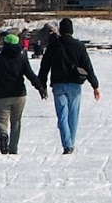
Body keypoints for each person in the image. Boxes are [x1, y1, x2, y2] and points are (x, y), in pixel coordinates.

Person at [37, 17, 100, 153]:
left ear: (61, 30)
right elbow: (88, 67)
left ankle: (67, 144)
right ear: (71, 30)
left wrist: (42, 85)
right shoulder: (79, 46)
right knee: (73, 115)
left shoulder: (53, 46)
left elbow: (44, 66)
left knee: (62, 115)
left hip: (58, 84)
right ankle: (70, 142)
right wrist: (95, 85)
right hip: (75, 85)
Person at [0, 31, 44, 154]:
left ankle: (3, 135)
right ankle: (13, 149)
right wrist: (40, 88)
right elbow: (30, 75)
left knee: (1, 121)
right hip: (19, 94)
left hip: (1, 95)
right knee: (16, 122)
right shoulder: (21, 58)